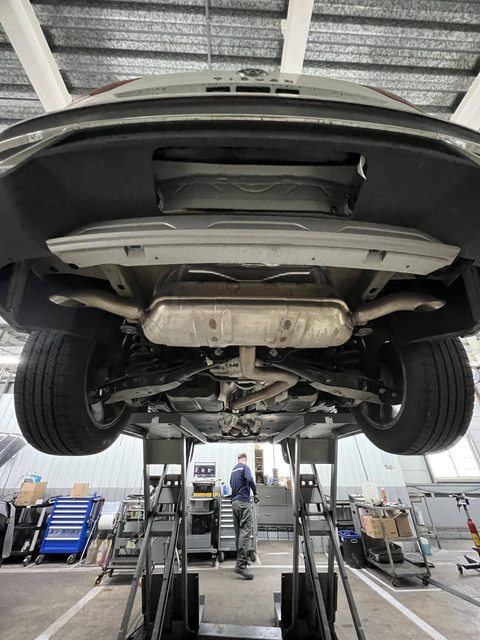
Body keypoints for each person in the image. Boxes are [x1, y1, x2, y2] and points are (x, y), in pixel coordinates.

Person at [230, 452, 259, 580]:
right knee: (245, 532)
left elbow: (232, 485)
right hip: (243, 503)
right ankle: (241, 566)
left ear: (238, 459)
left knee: (239, 534)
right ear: (245, 459)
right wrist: (255, 492)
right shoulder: (245, 468)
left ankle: (241, 561)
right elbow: (250, 480)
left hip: (234, 503)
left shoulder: (233, 470)